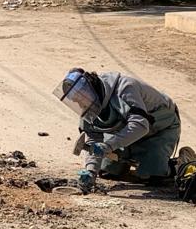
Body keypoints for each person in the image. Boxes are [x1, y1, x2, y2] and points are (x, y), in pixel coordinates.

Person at [53, 68, 181, 193]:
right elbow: (93, 139)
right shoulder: (89, 106)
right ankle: (132, 163)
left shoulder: (125, 88)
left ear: (90, 87)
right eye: (77, 101)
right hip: (126, 133)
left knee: (154, 174)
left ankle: (178, 164)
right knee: (108, 171)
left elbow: (140, 125)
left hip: (158, 130)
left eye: (81, 98)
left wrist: (109, 145)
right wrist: (90, 171)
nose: (81, 104)